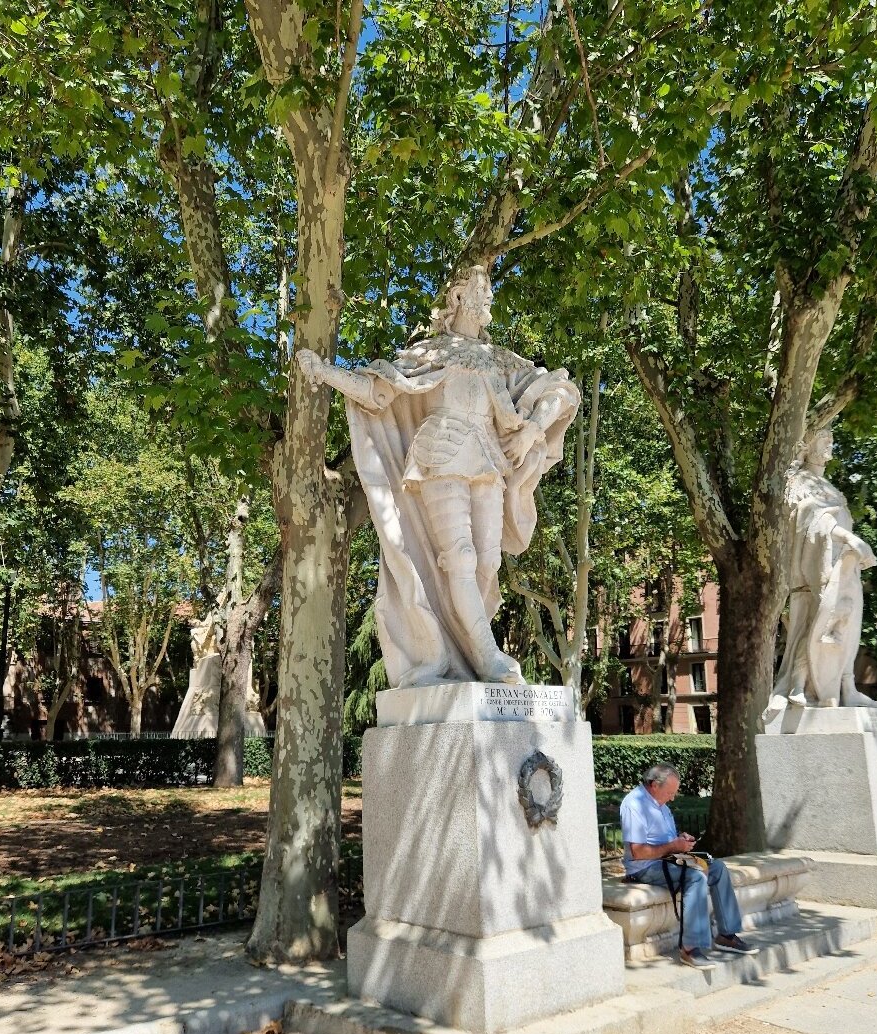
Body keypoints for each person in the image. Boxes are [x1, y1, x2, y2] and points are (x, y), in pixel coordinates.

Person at [295, 265, 579, 689]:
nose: (489, 300)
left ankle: (464, 649)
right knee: (460, 558)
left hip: (487, 460)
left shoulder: (501, 359)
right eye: (482, 291)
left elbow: (560, 390)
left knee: (488, 562)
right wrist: (325, 372)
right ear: (459, 299)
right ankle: (487, 658)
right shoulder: (430, 353)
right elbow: (377, 392)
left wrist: (534, 429)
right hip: (439, 456)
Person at [764, 426, 877, 716]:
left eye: (831, 439)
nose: (829, 444)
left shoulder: (830, 488)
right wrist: (849, 538)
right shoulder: (798, 482)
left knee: (847, 627)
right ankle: (799, 684)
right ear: (807, 446)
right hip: (812, 573)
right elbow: (808, 519)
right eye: (823, 439)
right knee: (816, 626)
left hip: (842, 568)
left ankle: (847, 688)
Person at [619, 763, 757, 968]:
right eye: (670, 792)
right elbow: (638, 852)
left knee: (717, 868)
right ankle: (690, 948)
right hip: (645, 868)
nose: (673, 798)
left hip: (668, 860)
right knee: (695, 876)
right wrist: (673, 845)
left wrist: (680, 841)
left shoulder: (660, 804)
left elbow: (663, 841)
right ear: (654, 785)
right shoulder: (634, 805)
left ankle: (726, 934)